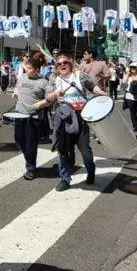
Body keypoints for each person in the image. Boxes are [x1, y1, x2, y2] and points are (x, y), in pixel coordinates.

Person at [43, 54, 105, 191]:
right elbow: (47, 97)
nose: (62, 65)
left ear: (70, 63)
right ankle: (65, 179)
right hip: (63, 117)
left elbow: (92, 86)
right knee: (63, 150)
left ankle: (90, 171)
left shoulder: (80, 76)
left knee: (84, 149)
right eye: (59, 63)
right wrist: (56, 94)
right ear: (57, 67)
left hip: (80, 116)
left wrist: (99, 91)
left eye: (65, 62)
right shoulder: (54, 80)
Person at [12, 52, 52, 180]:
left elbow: (50, 99)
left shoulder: (44, 82)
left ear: (37, 69)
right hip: (19, 114)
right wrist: (15, 91)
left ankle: (31, 168)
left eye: (29, 68)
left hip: (34, 117)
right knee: (18, 139)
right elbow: (17, 87)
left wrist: (41, 103)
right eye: (26, 68)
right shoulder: (22, 77)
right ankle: (29, 158)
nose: (27, 70)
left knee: (31, 143)